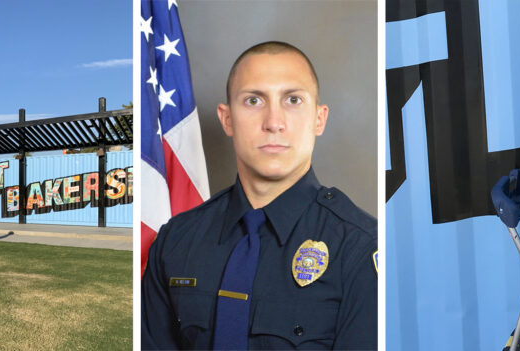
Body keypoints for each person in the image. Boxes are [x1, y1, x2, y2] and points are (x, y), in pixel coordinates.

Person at [141, 41, 377, 350]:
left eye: (293, 99)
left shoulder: (359, 248)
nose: (273, 122)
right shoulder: (176, 240)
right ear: (227, 119)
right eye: (253, 101)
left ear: (319, 118)